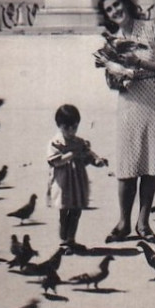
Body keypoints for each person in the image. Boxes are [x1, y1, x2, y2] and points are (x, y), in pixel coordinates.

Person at [95, 0, 155, 241]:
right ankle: (123, 222)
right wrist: (116, 76)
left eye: (116, 4)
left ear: (126, 3)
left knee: (150, 164)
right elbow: (110, 80)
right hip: (130, 102)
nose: (114, 11)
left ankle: (143, 223)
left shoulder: (151, 27)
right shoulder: (112, 40)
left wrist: (138, 63)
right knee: (127, 165)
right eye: (109, 9)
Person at [47, 104, 108, 252]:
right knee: (63, 211)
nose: (71, 131)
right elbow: (55, 161)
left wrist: (97, 161)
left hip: (78, 183)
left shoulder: (79, 142)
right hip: (62, 184)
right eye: (66, 127)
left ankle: (71, 240)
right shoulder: (56, 142)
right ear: (59, 125)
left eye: (74, 127)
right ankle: (63, 240)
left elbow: (89, 155)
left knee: (76, 211)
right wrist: (71, 154)